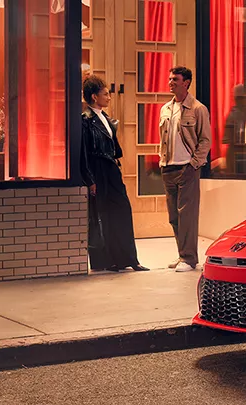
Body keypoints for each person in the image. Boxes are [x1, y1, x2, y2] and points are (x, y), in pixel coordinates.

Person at [81, 75, 147, 272]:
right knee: (101, 215)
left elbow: (114, 148)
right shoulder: (85, 120)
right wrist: (90, 180)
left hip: (110, 169)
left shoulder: (106, 118)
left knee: (122, 210)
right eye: (105, 94)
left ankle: (128, 259)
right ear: (94, 97)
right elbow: (83, 153)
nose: (109, 97)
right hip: (96, 170)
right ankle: (105, 261)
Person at [158, 66, 211, 272]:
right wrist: (161, 160)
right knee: (174, 216)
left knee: (187, 215)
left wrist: (194, 164)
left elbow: (205, 140)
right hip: (168, 167)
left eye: (175, 79)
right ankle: (182, 254)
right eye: (170, 79)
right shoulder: (165, 109)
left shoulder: (198, 109)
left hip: (187, 168)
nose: (170, 82)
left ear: (186, 83)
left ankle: (189, 259)